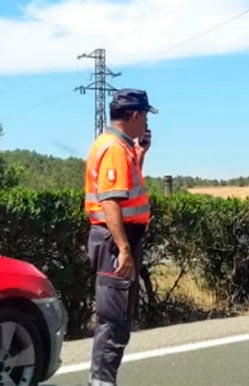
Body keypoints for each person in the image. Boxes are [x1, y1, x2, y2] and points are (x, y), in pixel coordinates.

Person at [84, 88, 157, 386]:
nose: (147, 125)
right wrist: (124, 248)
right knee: (113, 320)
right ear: (136, 115)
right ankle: (101, 382)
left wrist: (140, 155)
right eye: (145, 117)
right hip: (115, 242)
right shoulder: (114, 148)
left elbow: (124, 195)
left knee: (119, 319)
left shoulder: (123, 147)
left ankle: (104, 381)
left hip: (119, 240)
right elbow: (110, 201)